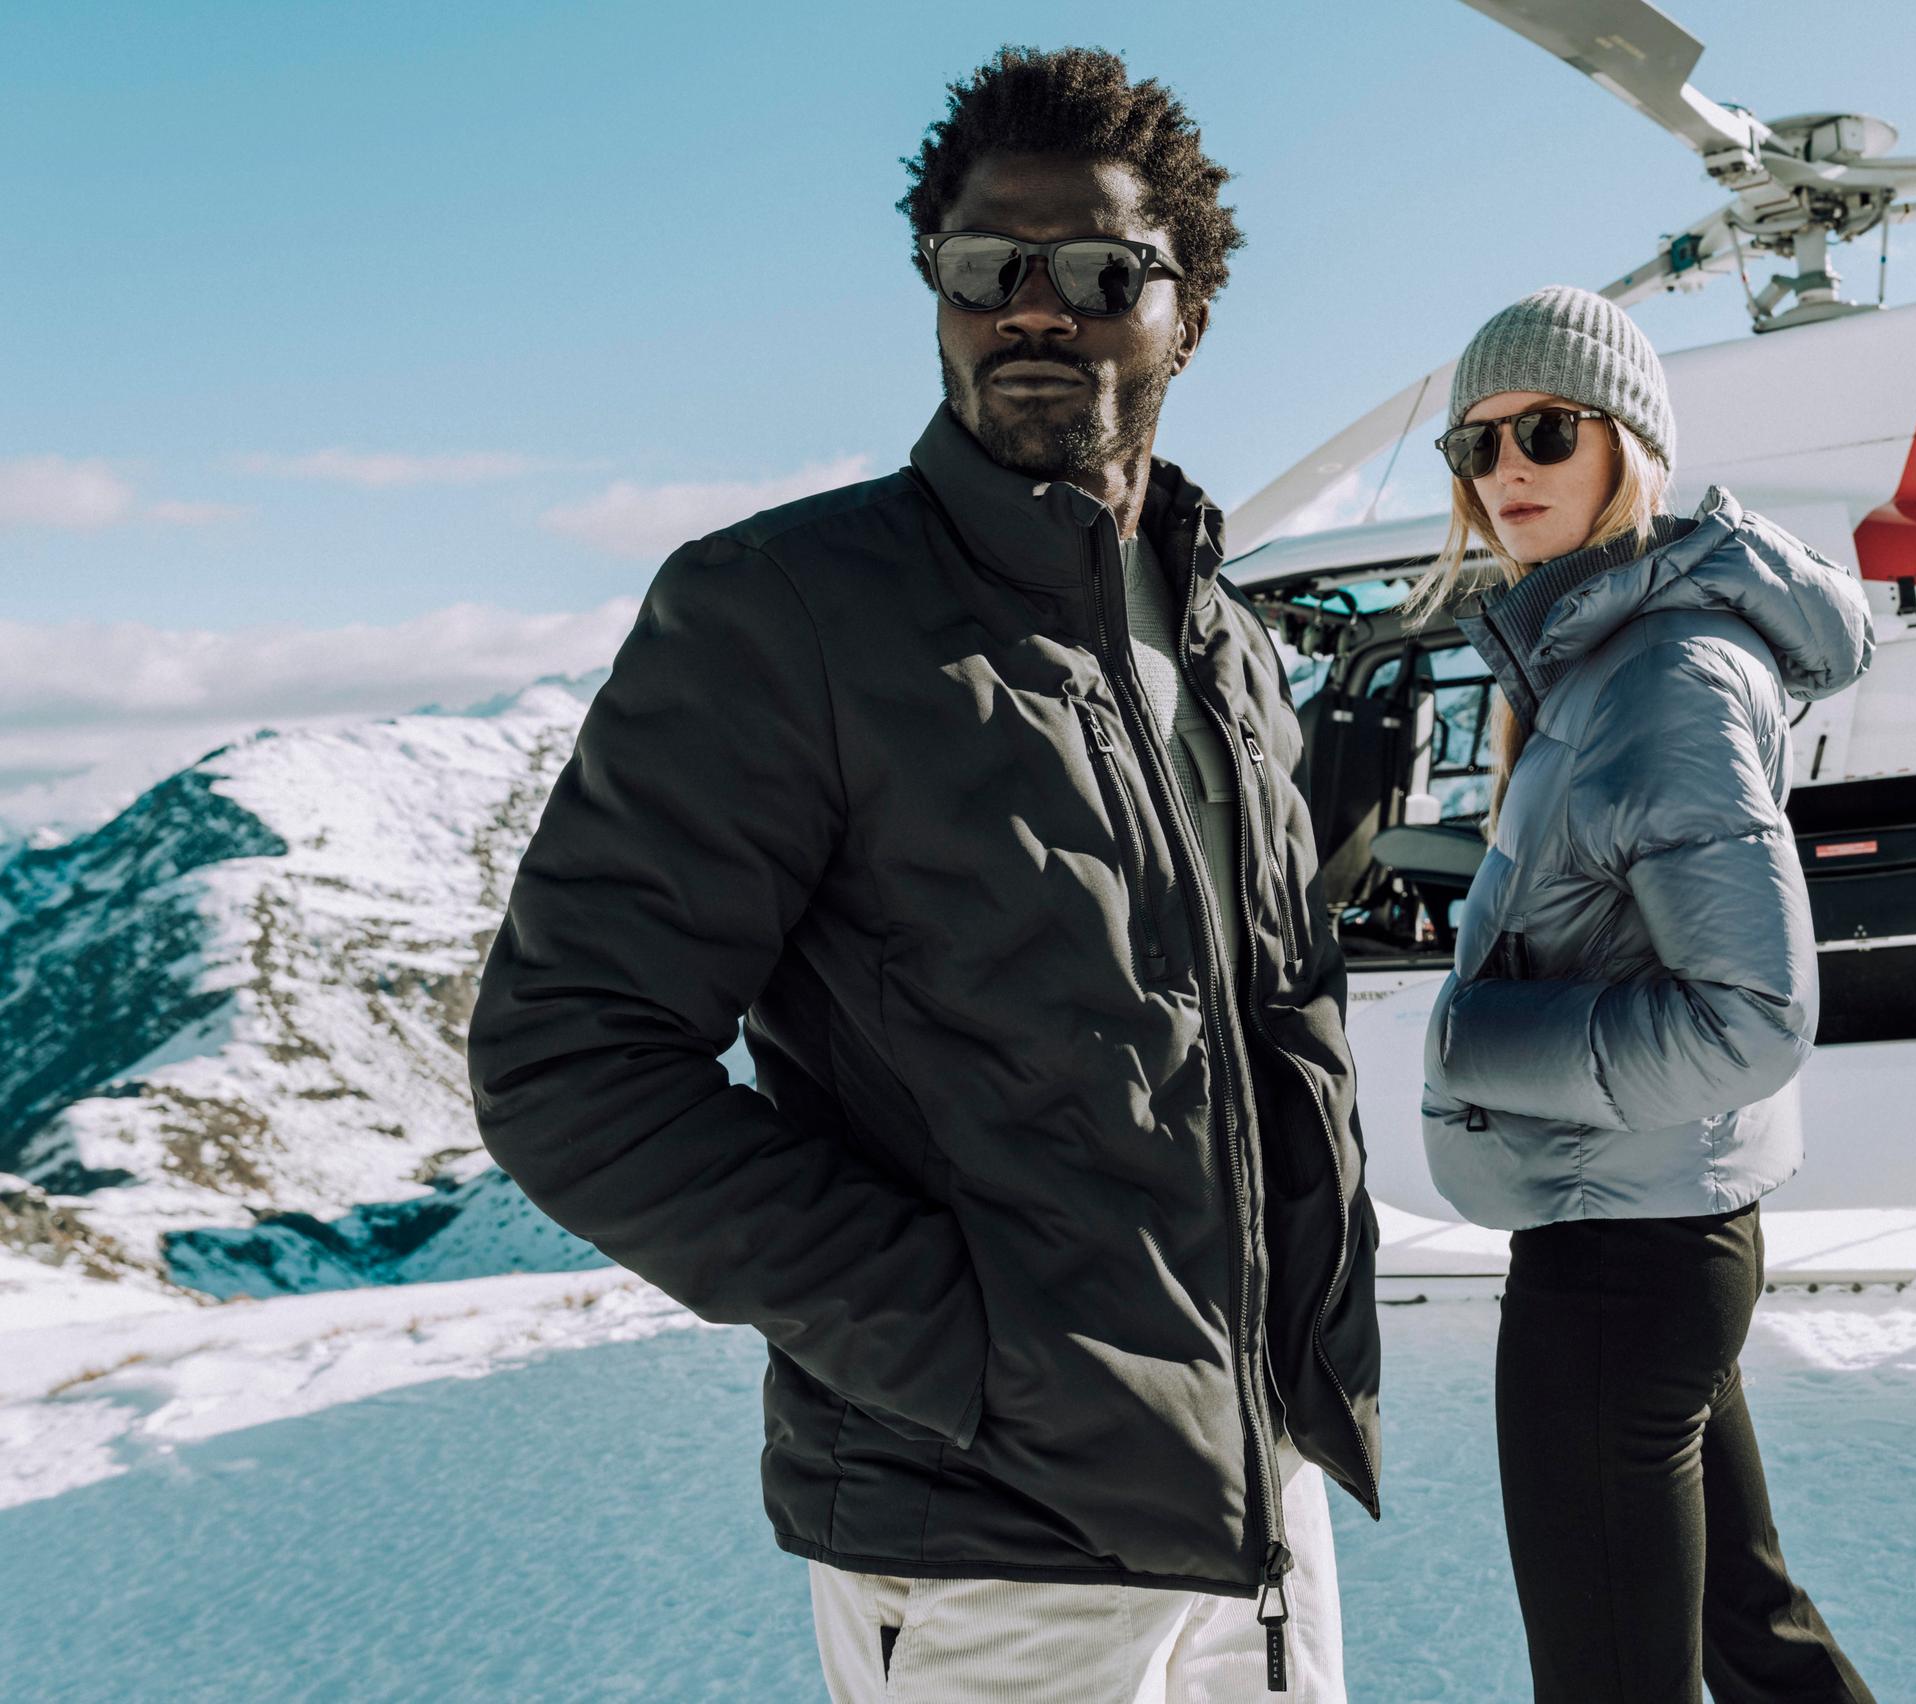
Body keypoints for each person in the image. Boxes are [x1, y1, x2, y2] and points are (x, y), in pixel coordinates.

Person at [465, 46, 1381, 1703]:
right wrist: (972, 1357)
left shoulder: (1234, 647)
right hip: (986, 1552)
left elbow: (1269, 1041)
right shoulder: (786, 613)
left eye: (1102, 270)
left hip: (1256, 1516)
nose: (1038, 308)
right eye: (987, 267)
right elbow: (565, 1063)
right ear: (936, 291)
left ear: (1188, 310)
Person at [1409, 286, 1878, 1703]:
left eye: (1546, 431)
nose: (1506, 473)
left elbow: (1751, 1016)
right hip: (1652, 1229)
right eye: (1476, 447)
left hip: (1623, 1262)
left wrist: (1485, 1038)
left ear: (1632, 444)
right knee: (1757, 1638)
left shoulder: (1664, 672)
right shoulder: (1603, 659)